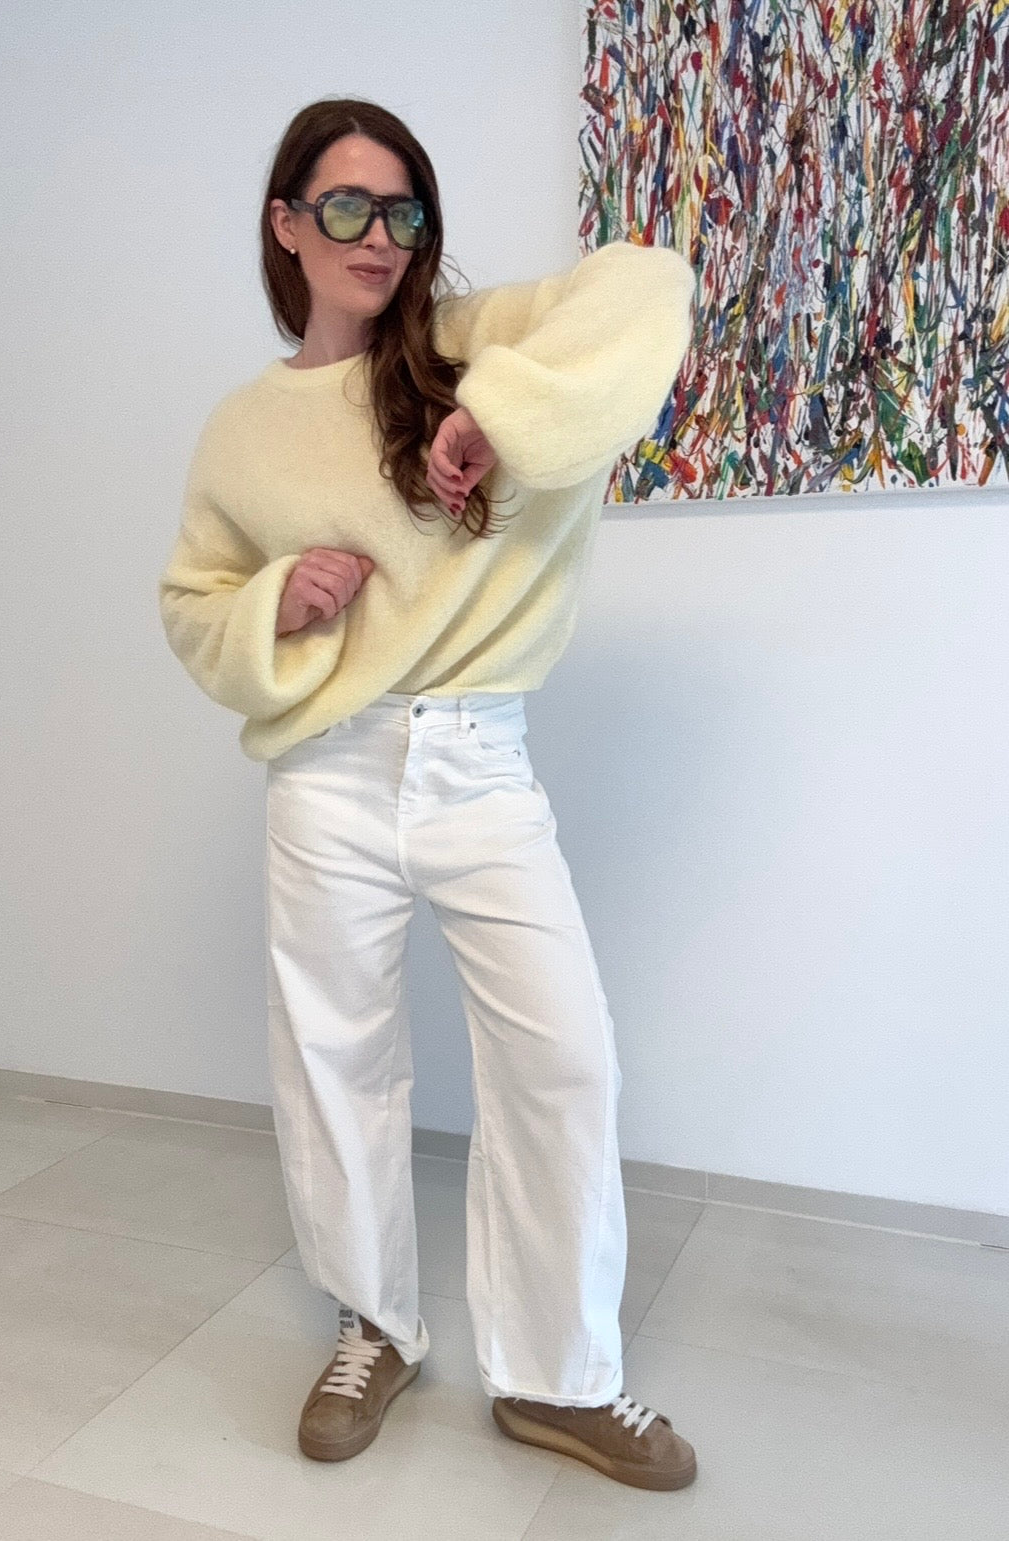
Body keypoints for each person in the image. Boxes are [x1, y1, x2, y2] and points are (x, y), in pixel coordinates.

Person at [158, 96, 698, 1493]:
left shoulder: (472, 348)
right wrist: (280, 600)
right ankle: (375, 1325)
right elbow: (192, 600)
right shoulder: (241, 427)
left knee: (564, 1055)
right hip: (326, 771)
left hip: (479, 759)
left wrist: (498, 420)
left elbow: (650, 284)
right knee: (333, 1057)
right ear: (286, 225)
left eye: (402, 210)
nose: (378, 235)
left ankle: (559, 1377)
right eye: (344, 205)